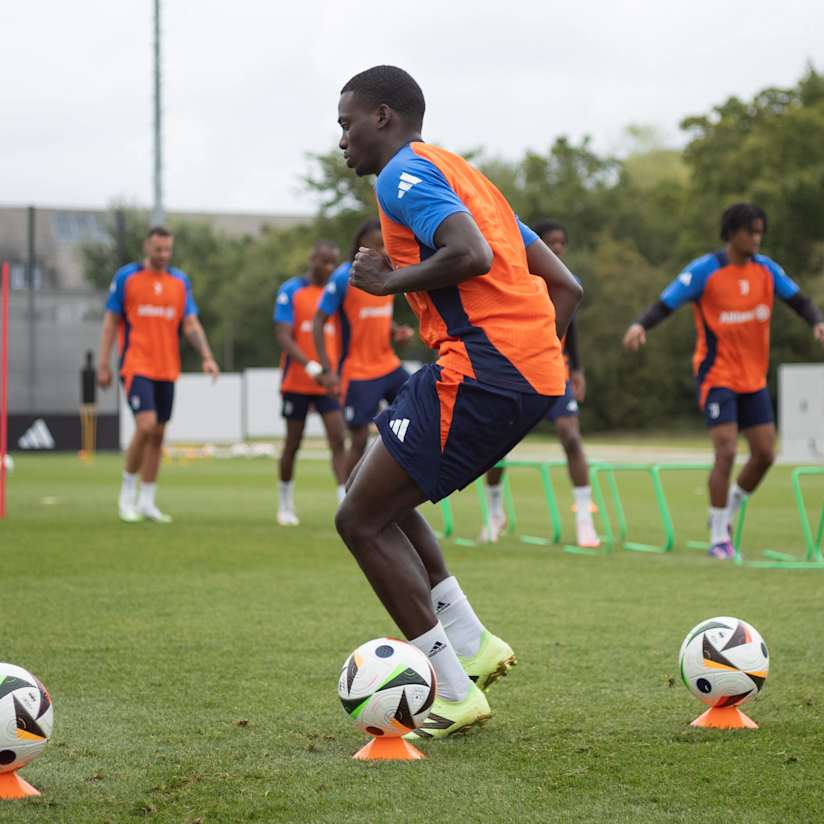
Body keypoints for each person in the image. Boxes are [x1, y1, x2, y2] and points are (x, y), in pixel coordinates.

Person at [333, 65, 582, 738]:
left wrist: (391, 282)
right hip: (510, 370)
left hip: (481, 369)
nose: (341, 139)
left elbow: (467, 254)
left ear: (383, 116)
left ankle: (450, 688)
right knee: (369, 491)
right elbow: (566, 287)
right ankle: (471, 644)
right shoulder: (465, 175)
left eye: (346, 122)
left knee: (358, 521)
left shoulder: (402, 175)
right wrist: (535, 367)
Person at [623, 203, 824, 559]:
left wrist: (816, 321)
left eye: (761, 231)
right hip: (717, 375)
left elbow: (798, 300)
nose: (757, 238)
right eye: (751, 231)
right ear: (732, 233)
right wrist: (641, 325)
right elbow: (666, 303)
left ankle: (731, 504)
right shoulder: (706, 271)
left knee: (764, 454)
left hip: (753, 378)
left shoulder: (766, 270)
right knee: (727, 451)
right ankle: (718, 537)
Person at [481, 219, 599, 547]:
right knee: (496, 448)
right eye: (552, 242)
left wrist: (577, 369)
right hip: (516, 372)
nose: (558, 248)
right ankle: (494, 513)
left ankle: (584, 519)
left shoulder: (566, 281)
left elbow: (570, 326)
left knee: (570, 435)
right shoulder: (519, 278)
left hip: (554, 371)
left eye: (562, 242)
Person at [97, 226, 219, 523]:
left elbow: (189, 322)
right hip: (136, 365)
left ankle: (147, 500)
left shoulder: (179, 281)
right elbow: (112, 321)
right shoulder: (127, 277)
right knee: (146, 424)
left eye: (168, 250)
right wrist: (103, 363)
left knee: (159, 434)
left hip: (167, 368)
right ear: (146, 247)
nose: (163, 255)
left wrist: (206, 356)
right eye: (158, 250)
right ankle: (126, 493)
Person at [312, 220, 414, 477]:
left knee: (417, 413)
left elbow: (372, 315)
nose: (384, 249)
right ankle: (347, 506)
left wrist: (395, 331)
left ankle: (397, 492)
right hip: (359, 372)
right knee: (358, 441)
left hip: (389, 366)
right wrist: (327, 368)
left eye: (386, 244)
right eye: (378, 244)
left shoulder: (388, 271)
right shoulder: (345, 276)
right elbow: (318, 321)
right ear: (361, 246)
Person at [274, 240, 349, 525]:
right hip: (297, 381)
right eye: (323, 261)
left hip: (328, 382)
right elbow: (283, 335)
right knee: (293, 444)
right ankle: (285, 502)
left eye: (333, 262)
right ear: (312, 258)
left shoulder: (336, 293)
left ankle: (344, 501)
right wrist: (312, 366)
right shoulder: (292, 290)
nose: (328, 267)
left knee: (337, 437)